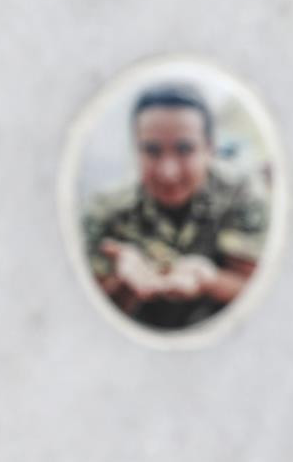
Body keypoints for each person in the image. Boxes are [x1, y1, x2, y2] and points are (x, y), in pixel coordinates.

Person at [82, 83, 269, 331]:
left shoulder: (241, 192)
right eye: (152, 150)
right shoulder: (106, 207)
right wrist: (125, 285)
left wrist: (209, 281)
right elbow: (84, 314)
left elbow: (257, 288)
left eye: (184, 149)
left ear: (210, 148)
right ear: (136, 150)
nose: (168, 172)